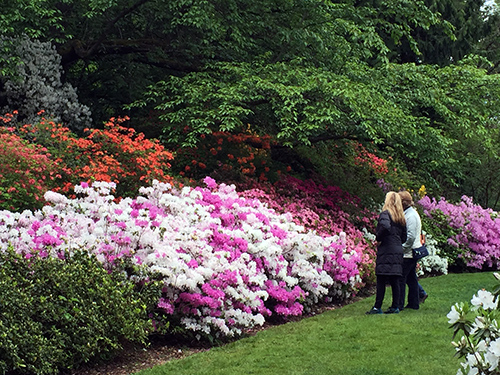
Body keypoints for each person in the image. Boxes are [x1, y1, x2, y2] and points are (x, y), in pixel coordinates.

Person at [366, 192, 407, 315]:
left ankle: (377, 307)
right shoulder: (401, 218)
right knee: (395, 279)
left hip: (387, 250)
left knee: (381, 278)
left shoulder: (385, 214)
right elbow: (404, 236)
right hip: (397, 249)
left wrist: (379, 238)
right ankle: (395, 306)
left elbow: (384, 226)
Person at [398, 190, 423, 310]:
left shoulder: (411, 216)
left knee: (401, 278)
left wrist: (403, 249)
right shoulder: (410, 213)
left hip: (409, 252)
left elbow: (411, 236)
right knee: (411, 278)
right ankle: (414, 303)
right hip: (411, 251)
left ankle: (399, 304)